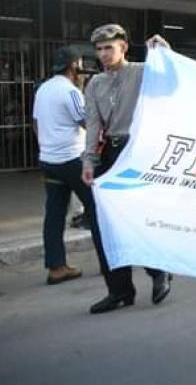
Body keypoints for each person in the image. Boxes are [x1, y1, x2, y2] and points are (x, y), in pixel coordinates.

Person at [81, 24, 173, 314]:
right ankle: (119, 291)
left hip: (138, 151)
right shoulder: (95, 83)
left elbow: (172, 83)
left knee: (136, 218)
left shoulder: (142, 72)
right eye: (99, 49)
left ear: (123, 47)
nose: (104, 54)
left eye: (109, 47)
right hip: (110, 153)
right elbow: (93, 124)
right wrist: (88, 161)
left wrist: (165, 52)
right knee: (102, 223)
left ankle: (158, 271)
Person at [32, 46, 91, 285]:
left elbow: (36, 124)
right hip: (72, 160)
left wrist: (48, 146)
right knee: (96, 209)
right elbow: (88, 122)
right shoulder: (70, 91)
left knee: (54, 214)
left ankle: (56, 267)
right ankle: (111, 263)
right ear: (74, 66)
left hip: (49, 160)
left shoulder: (43, 89)